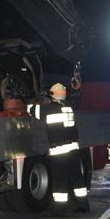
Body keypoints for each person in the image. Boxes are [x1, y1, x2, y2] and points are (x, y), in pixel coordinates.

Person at [38, 83, 89, 212]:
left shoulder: (48, 109)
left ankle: (60, 209)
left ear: (52, 95)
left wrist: (36, 101)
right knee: (77, 177)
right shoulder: (68, 107)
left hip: (59, 151)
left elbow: (32, 109)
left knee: (60, 180)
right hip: (73, 148)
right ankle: (83, 205)